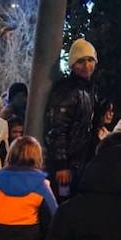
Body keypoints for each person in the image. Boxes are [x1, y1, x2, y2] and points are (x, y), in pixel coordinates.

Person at [44, 38, 99, 198]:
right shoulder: (67, 90)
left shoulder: (89, 89)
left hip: (81, 161)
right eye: (81, 61)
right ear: (73, 65)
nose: (87, 65)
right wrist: (62, 164)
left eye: (90, 60)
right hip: (68, 164)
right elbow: (58, 128)